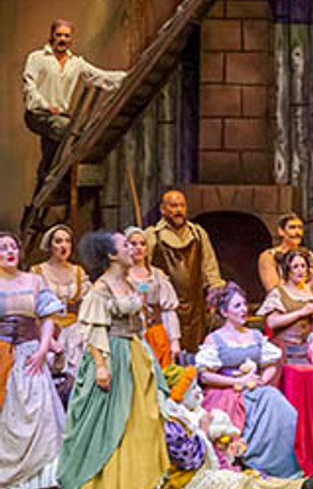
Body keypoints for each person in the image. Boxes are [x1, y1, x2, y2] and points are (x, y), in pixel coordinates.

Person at [58, 231, 170, 489]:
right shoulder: (100, 289)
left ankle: (138, 479)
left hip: (134, 353)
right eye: (125, 245)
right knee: (110, 419)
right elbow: (94, 329)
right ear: (111, 255)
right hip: (112, 355)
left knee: (142, 419)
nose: (132, 249)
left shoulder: (129, 283)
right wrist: (100, 366)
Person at [159, 364, 313, 489]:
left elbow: (219, 447)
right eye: (192, 389)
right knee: (246, 483)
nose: (198, 392)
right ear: (178, 397)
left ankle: (305, 485)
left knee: (256, 478)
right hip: (190, 481)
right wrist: (204, 432)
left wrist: (226, 443)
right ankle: (306, 487)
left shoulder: (196, 414)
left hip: (215, 468)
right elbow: (190, 462)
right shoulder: (174, 424)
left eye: (197, 386)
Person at [196, 283, 301, 479]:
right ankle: (246, 459)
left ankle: (280, 465)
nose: (244, 309)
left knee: (282, 408)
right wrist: (238, 381)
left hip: (256, 389)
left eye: (244, 304)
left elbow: (271, 364)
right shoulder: (214, 339)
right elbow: (205, 375)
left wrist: (261, 380)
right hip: (226, 391)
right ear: (224, 312)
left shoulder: (255, 335)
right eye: (237, 306)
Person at [23, 19, 127, 186]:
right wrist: (46, 105)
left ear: (71, 39)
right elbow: (29, 86)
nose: (62, 39)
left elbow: (100, 76)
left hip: (59, 115)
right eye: (58, 35)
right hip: (37, 114)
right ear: (51, 36)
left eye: (66, 36)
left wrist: (126, 77)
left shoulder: (76, 63)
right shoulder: (37, 58)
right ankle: (49, 173)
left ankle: (44, 178)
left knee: (53, 141)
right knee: (65, 128)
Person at [0, 230, 64, 489]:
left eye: (13, 247)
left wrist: (42, 349)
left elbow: (48, 317)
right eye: (3, 248)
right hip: (2, 354)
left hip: (30, 352)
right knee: (8, 412)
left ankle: (41, 478)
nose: (9, 252)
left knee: (38, 409)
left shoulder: (34, 281)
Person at [146, 189, 225, 351]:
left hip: (195, 308)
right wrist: (144, 295)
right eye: (173, 206)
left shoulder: (197, 234)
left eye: (182, 205)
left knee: (195, 351)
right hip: (165, 308)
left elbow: (210, 267)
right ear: (163, 209)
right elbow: (141, 272)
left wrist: (215, 294)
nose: (178, 210)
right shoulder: (152, 236)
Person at [30, 222, 89, 381]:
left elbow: (89, 302)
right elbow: (32, 307)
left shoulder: (78, 272)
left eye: (67, 241)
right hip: (48, 331)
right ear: (50, 246)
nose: (64, 246)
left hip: (74, 330)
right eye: (58, 241)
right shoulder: (37, 272)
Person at [124, 225, 181, 367]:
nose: (138, 248)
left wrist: (174, 340)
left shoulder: (157, 276)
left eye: (142, 244)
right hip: (132, 336)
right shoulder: (121, 277)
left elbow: (169, 310)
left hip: (156, 334)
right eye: (133, 244)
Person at [257, 248, 313, 366]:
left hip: (306, 348)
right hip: (285, 349)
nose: (300, 270)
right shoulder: (279, 293)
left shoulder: (311, 292)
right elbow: (271, 322)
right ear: (287, 270)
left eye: (303, 266)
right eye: (295, 267)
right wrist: (301, 312)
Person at [257, 214, 313, 295]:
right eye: (292, 227)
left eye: (300, 228)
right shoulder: (269, 256)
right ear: (281, 231)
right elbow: (273, 289)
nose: (297, 232)